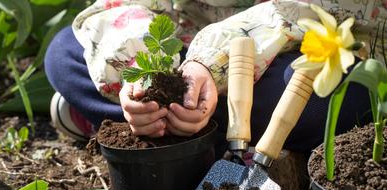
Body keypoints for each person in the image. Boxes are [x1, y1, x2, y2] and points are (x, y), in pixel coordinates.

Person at [45, 0, 380, 157]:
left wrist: (211, 63)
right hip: (192, 50)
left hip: (298, 48)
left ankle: (129, 131)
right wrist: (144, 71)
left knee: (340, 96)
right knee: (63, 53)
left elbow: (301, 9)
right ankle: (166, 124)